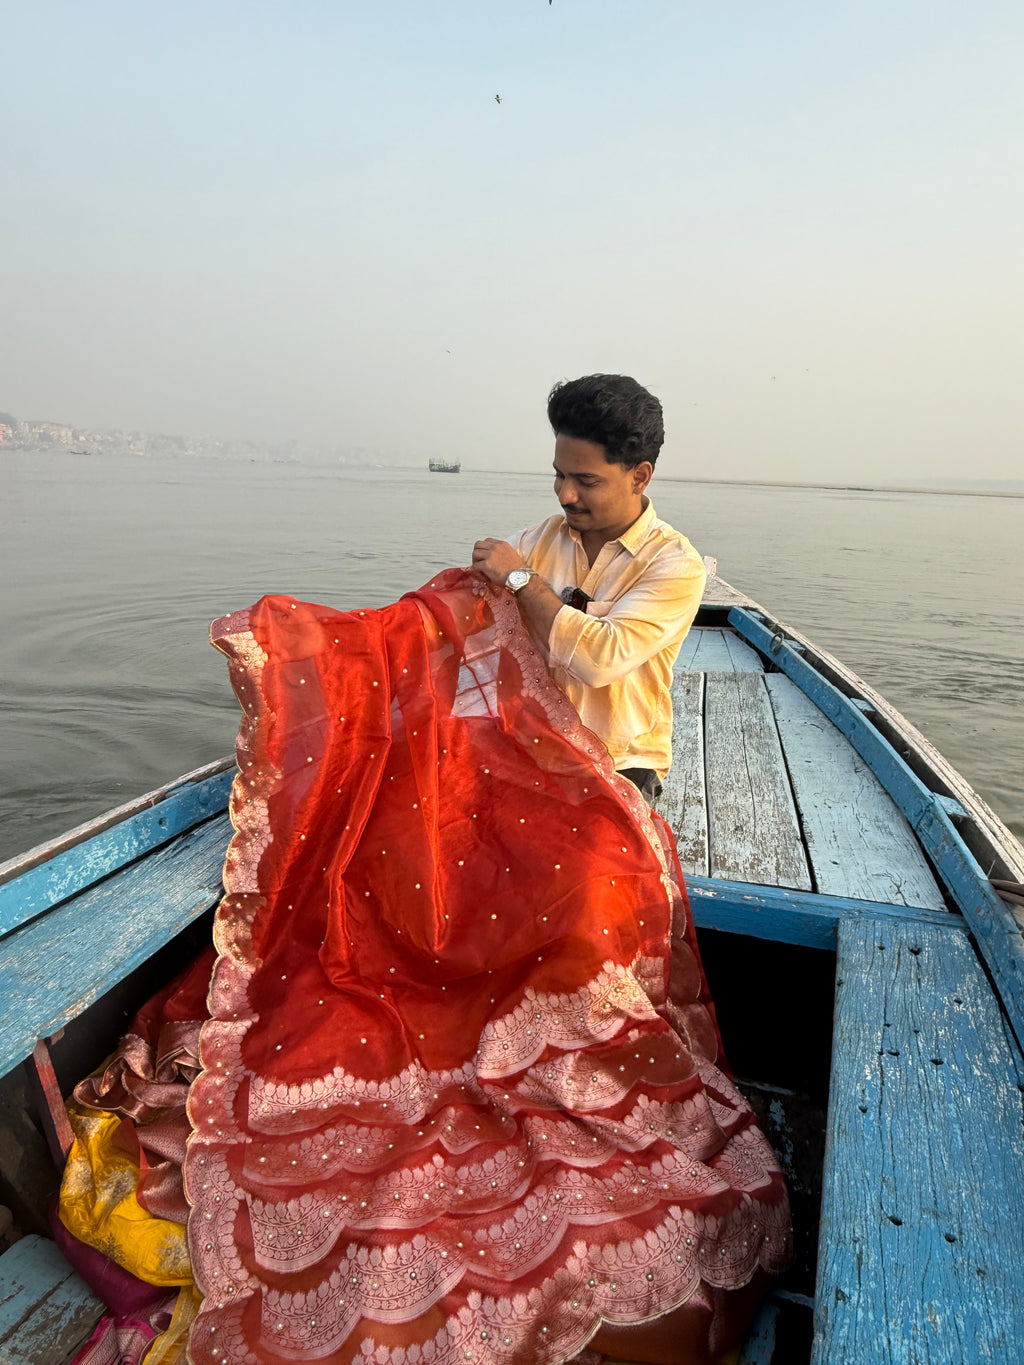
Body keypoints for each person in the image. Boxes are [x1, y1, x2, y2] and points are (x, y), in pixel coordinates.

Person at [473, 374, 706, 805]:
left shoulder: (674, 566)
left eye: (586, 480)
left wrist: (521, 580)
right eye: (559, 475)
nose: (565, 494)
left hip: (618, 761)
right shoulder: (533, 542)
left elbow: (599, 659)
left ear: (639, 477)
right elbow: (464, 624)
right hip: (531, 744)